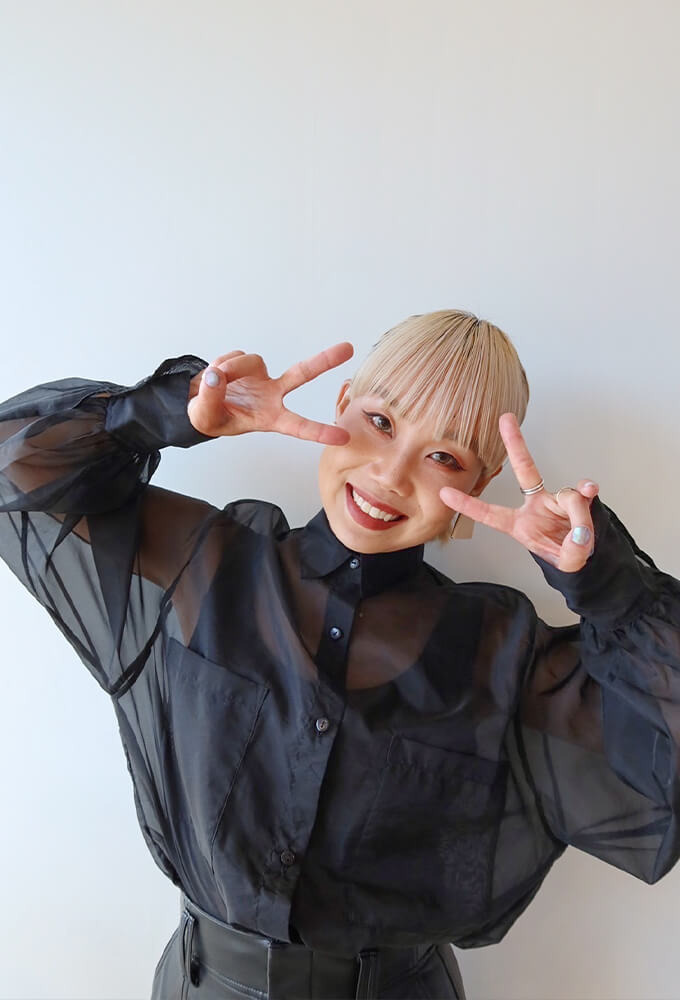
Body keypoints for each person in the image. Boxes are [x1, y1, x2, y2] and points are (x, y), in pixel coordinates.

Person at [1, 310, 678, 1000]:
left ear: (479, 483)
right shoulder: (200, 567)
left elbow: (665, 767)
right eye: (381, 422)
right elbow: (11, 470)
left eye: (444, 457)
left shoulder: (503, 656)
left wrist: (609, 585)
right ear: (343, 402)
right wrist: (168, 412)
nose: (391, 474)